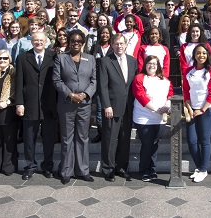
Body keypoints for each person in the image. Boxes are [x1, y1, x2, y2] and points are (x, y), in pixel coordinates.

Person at [53, 29, 97, 184]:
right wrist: (71, 94)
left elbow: (94, 81)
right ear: (69, 42)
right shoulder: (61, 58)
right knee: (66, 138)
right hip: (67, 104)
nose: (76, 43)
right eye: (73, 41)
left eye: (79, 41)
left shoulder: (90, 59)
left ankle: (83, 170)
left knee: (83, 137)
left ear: (83, 43)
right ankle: (66, 170)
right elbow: (57, 80)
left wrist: (85, 95)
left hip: (84, 104)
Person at [15, 31, 57, 180]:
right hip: (29, 104)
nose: (38, 42)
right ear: (31, 42)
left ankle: (47, 166)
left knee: (48, 138)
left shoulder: (54, 57)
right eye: (35, 40)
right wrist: (19, 103)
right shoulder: (22, 58)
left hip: (49, 104)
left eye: (41, 40)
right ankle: (30, 166)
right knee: (29, 138)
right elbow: (19, 82)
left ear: (46, 42)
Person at [98, 34, 138, 181]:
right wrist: (106, 105)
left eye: (122, 43)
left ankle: (121, 167)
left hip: (128, 107)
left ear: (126, 45)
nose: (119, 46)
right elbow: (102, 86)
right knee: (109, 139)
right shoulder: (105, 61)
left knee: (124, 138)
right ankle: (108, 169)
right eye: (116, 44)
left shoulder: (133, 61)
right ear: (112, 45)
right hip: (112, 107)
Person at [132, 55, 173, 181]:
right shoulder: (140, 78)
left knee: (155, 144)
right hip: (144, 117)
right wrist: (156, 109)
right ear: (145, 64)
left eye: (155, 63)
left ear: (158, 65)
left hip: (159, 119)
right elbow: (140, 95)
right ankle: (144, 169)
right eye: (149, 63)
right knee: (147, 143)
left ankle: (152, 169)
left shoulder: (165, 80)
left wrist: (167, 105)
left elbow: (170, 94)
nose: (152, 65)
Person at [182, 44, 211, 183]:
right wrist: (189, 107)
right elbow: (186, 90)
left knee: (204, 140)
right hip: (192, 110)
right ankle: (200, 167)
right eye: (198, 53)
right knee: (191, 141)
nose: (201, 55)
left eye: (204, 53)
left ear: (208, 55)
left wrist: (202, 109)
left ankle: (203, 169)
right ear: (194, 55)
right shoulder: (188, 71)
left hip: (206, 110)